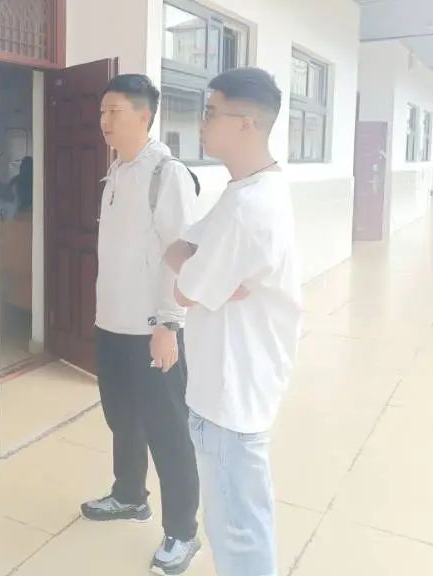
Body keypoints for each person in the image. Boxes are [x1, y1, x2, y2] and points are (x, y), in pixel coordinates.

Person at [167, 68, 303, 576]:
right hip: (237, 388)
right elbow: (179, 247)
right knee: (244, 526)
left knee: (238, 539)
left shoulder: (249, 207)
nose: (201, 124)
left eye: (210, 113)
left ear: (246, 123)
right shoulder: (247, 190)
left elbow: (182, 288)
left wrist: (200, 273)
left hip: (230, 398)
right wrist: (209, 276)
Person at [81, 73, 202, 575]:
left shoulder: (166, 174)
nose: (104, 121)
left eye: (114, 111)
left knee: (167, 430)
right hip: (112, 324)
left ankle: (183, 531)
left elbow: (181, 254)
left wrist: (168, 324)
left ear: (144, 115)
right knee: (122, 419)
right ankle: (129, 495)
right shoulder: (117, 171)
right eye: (102, 111)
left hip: (153, 329)